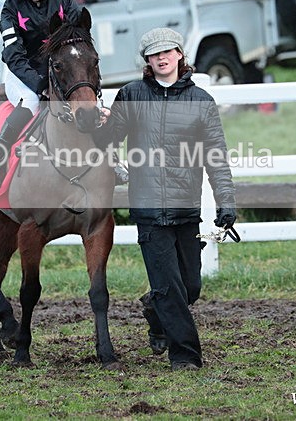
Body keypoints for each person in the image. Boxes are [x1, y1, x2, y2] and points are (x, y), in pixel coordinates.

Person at [96, 27, 237, 371]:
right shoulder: (130, 96)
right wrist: (99, 125)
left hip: (185, 210)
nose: (161, 58)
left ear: (179, 55)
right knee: (170, 288)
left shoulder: (202, 102)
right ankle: (185, 356)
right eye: (154, 54)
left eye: (167, 52)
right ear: (146, 61)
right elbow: (107, 141)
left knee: (189, 286)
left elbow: (215, 157)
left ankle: (154, 309)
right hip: (148, 212)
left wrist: (226, 203)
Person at [0, 0, 81, 188]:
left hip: (60, 69)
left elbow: (80, 38)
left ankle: (112, 160)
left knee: (87, 98)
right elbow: (13, 54)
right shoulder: (11, 7)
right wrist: (38, 84)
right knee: (33, 102)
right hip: (24, 71)